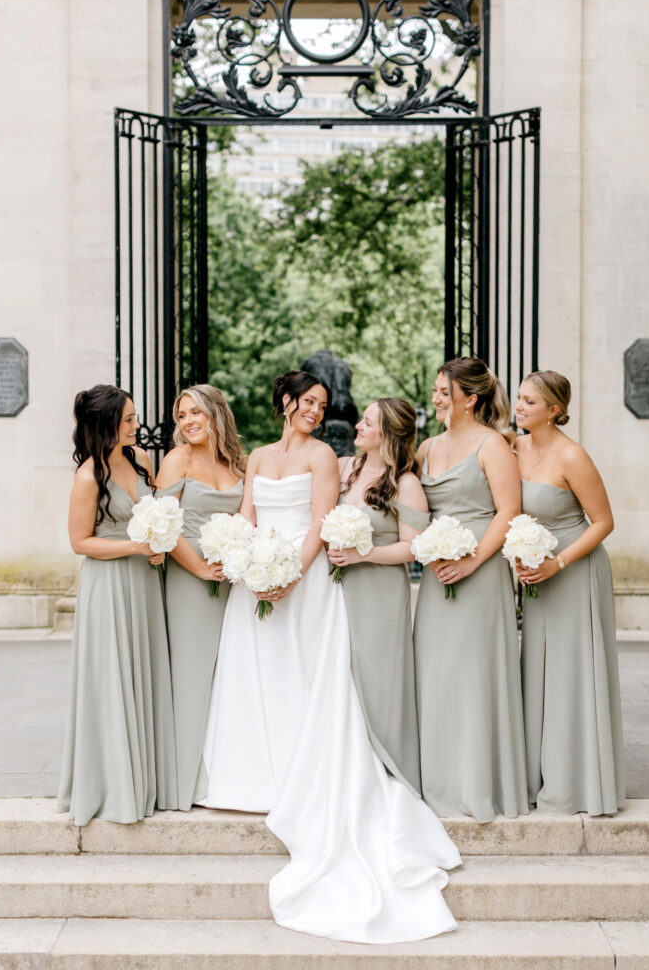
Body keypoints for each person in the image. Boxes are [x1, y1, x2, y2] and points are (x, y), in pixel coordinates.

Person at [199, 371, 461, 944]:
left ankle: (302, 773)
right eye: (310, 402)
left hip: (307, 577)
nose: (321, 411)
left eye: (327, 404)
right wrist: (237, 553)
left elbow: (323, 520)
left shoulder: (328, 458)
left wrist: (291, 571)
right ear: (286, 403)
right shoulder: (272, 458)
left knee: (307, 676)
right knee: (254, 675)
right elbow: (249, 512)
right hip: (258, 574)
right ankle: (251, 772)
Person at [414, 357, 528, 823]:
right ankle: (436, 780)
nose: (437, 397)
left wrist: (472, 561)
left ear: (470, 398)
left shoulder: (493, 445)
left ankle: (478, 783)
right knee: (435, 672)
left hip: (479, 572)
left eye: (444, 391)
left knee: (475, 673)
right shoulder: (425, 447)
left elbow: (508, 511)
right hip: (437, 572)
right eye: (438, 389)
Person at [57, 384, 177, 825]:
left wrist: (160, 543)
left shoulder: (141, 461)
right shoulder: (88, 476)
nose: (137, 426)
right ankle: (111, 784)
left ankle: (147, 777)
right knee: (111, 676)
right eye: (128, 420)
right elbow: (79, 542)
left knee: (142, 670)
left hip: (144, 582)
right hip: (108, 586)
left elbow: (160, 515)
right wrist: (135, 546)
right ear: (106, 423)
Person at [515, 370, 625, 815]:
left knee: (570, 672)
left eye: (529, 402)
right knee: (537, 671)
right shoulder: (511, 446)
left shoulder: (572, 456)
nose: (519, 407)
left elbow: (603, 522)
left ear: (554, 410)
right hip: (535, 574)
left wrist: (556, 562)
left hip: (573, 572)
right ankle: (533, 775)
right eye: (519, 399)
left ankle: (574, 782)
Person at [329, 397, 429, 798]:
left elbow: (414, 548)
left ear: (386, 433)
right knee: (341, 675)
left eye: (367, 422)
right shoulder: (344, 469)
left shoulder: (406, 483)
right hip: (337, 589)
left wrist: (362, 554)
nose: (358, 425)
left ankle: (386, 772)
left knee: (379, 681)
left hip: (381, 593)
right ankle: (347, 772)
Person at [155, 385, 245, 811]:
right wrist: (200, 568)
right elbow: (162, 525)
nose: (188, 422)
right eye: (181, 415)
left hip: (231, 581)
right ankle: (183, 780)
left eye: (196, 413)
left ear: (216, 414)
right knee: (191, 674)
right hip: (191, 577)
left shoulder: (237, 462)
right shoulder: (178, 460)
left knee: (226, 674)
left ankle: (224, 771)